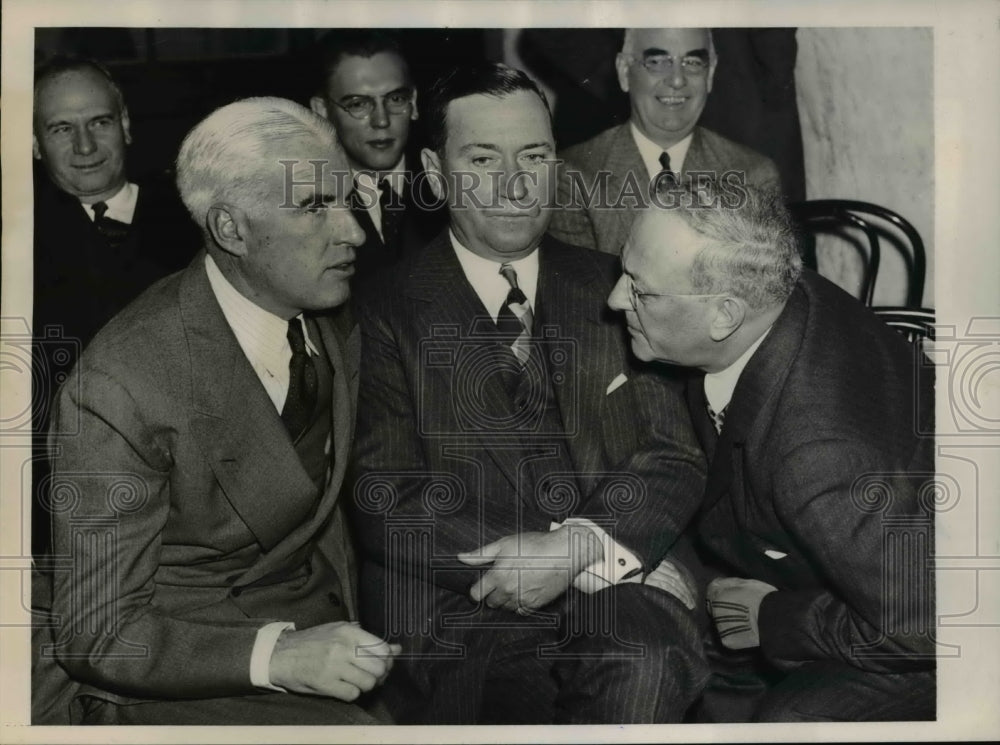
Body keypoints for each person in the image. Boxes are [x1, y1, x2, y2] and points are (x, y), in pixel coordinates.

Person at [350, 62, 709, 725]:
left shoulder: (615, 284)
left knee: (643, 660)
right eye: (484, 159)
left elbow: (672, 454)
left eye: (534, 156)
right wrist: (562, 557)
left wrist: (584, 550)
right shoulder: (382, 310)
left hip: (620, 577)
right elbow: (387, 499)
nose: (516, 186)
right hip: (467, 601)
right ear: (433, 171)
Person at [40, 97, 400, 725]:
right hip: (185, 662)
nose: (354, 232)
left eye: (346, 199)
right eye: (315, 207)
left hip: (325, 619)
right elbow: (97, 632)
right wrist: (276, 655)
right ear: (231, 228)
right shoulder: (119, 385)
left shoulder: (326, 308)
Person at [608, 179, 936, 722]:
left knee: (786, 723)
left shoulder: (817, 459)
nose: (616, 298)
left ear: (723, 315)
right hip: (881, 546)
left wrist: (775, 618)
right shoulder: (779, 292)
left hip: (940, 619)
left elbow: (927, 623)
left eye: (640, 290)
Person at [31, 56, 201, 555]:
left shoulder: (195, 218)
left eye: (99, 122)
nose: (84, 147)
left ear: (125, 124)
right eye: (62, 128)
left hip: (195, 507)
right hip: (71, 508)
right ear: (35, 144)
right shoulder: (18, 242)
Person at [549, 28, 781, 255]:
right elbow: (580, 290)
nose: (677, 80)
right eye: (658, 61)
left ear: (710, 74)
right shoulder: (572, 176)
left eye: (692, 62)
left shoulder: (753, 176)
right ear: (624, 71)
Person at [309, 30, 441, 286]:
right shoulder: (307, 203)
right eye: (358, 104)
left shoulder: (452, 187)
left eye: (395, 99)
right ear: (322, 111)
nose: (381, 121)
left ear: (413, 103)